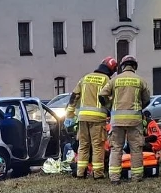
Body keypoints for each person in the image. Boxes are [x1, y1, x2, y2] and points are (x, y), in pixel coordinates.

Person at [100, 55, 153, 183]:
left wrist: (110, 106)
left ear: (122, 66)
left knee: (116, 148)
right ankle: (136, 177)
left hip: (117, 121)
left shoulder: (114, 80)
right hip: (135, 121)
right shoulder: (140, 80)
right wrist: (139, 107)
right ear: (134, 66)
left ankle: (114, 178)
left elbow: (102, 95)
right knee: (136, 148)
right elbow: (146, 99)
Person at [65, 56, 118, 180]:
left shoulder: (85, 78)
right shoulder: (106, 80)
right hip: (98, 119)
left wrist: (69, 115)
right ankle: (98, 173)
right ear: (111, 70)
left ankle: (80, 172)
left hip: (82, 118)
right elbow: (109, 100)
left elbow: (74, 96)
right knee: (98, 146)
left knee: (83, 144)